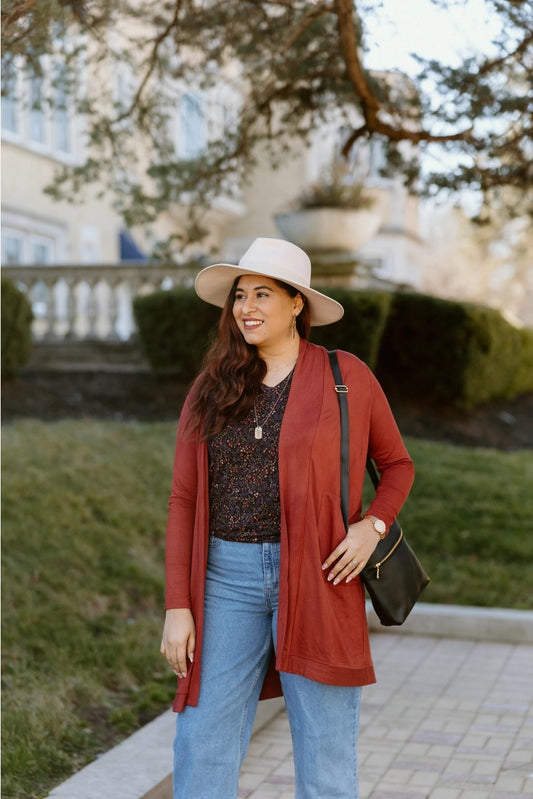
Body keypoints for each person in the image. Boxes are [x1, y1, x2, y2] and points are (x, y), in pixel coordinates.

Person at [160, 237, 414, 798]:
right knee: (202, 740)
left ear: (297, 303)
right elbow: (183, 499)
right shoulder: (212, 386)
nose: (246, 307)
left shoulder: (345, 376)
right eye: (239, 296)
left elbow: (397, 465)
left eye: (263, 295)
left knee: (325, 753)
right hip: (226, 579)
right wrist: (178, 606)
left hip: (322, 576)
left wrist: (371, 527)